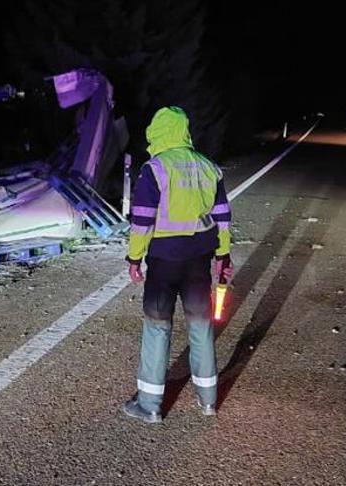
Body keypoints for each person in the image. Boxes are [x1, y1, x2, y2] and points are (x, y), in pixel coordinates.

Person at [122, 106, 233, 424]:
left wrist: (134, 259)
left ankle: (150, 405)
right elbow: (223, 217)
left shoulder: (155, 169)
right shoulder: (209, 167)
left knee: (157, 328)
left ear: (156, 132)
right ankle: (208, 400)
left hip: (164, 261)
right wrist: (223, 256)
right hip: (199, 259)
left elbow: (141, 222)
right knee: (201, 326)